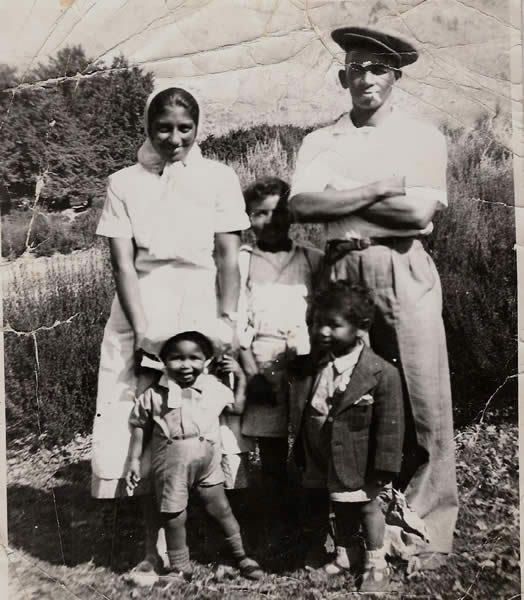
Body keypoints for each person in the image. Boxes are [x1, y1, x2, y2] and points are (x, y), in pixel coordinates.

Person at [289, 27, 458, 568]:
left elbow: (416, 216)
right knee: (344, 397)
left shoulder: (423, 136)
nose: (366, 77)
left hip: (400, 265)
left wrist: (340, 198)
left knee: (423, 397)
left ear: (396, 77)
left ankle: (423, 526)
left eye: (378, 68)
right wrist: (380, 188)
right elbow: (303, 208)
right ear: (342, 76)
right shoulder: (321, 140)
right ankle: (355, 524)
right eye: (356, 67)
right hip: (340, 271)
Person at [91, 86, 250, 581]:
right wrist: (142, 334)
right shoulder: (123, 182)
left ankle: (216, 536)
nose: (174, 138)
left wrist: (225, 322)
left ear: (198, 129)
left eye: (185, 128)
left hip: (202, 305)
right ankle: (151, 547)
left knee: (201, 419)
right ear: (147, 128)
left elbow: (227, 257)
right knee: (143, 416)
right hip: (145, 302)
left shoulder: (219, 177)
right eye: (163, 128)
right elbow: (122, 265)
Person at [125, 331, 263, 581]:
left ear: (206, 360)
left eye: (194, 358)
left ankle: (242, 555)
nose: (186, 365)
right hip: (171, 464)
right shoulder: (156, 393)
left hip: (207, 461)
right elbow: (139, 426)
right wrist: (134, 460)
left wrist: (241, 376)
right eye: (177, 358)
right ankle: (181, 567)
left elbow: (238, 407)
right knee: (174, 515)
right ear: (163, 361)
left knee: (221, 509)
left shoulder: (212, 388)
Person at [292, 281, 404, 593]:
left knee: (367, 508)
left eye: (333, 325)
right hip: (323, 455)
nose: (322, 331)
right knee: (339, 506)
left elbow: (391, 426)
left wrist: (385, 465)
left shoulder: (380, 373)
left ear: (360, 327)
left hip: (360, 459)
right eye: (316, 322)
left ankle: (375, 561)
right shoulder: (316, 365)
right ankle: (344, 555)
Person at [236, 177, 323, 528]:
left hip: (304, 354)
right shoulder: (243, 260)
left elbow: (322, 302)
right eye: (260, 213)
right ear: (247, 217)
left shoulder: (309, 252)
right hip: (261, 358)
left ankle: (312, 518)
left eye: (279, 212)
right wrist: (250, 371)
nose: (270, 221)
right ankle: (276, 520)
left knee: (309, 436)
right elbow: (235, 317)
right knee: (270, 444)